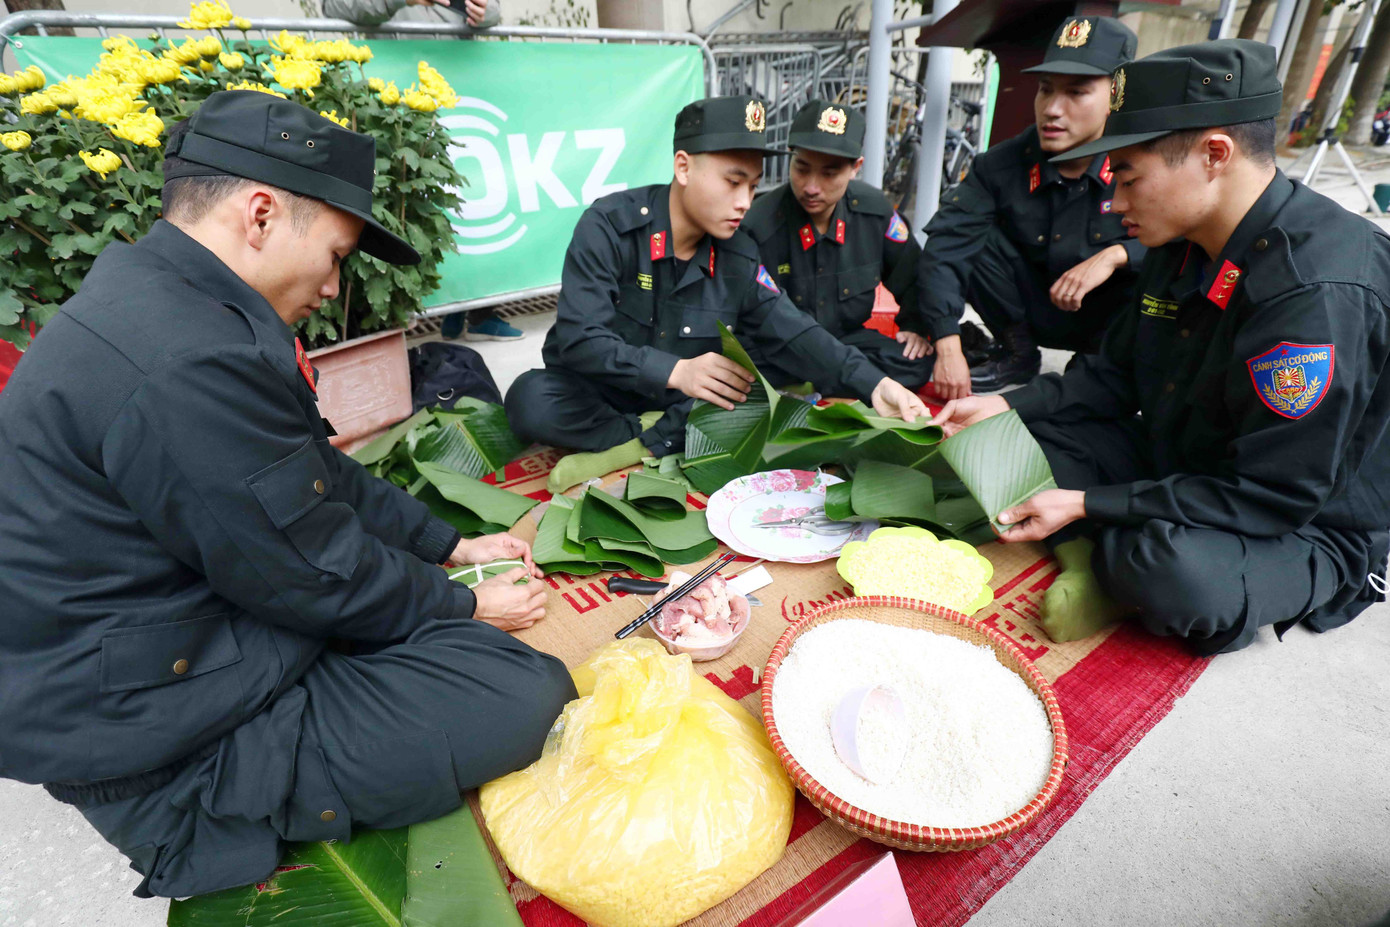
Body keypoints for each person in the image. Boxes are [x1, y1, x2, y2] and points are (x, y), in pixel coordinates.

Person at [0, 91, 576, 899]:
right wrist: (464, 604)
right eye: (337, 254)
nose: (335, 284)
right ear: (261, 214)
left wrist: (452, 547)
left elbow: (314, 475)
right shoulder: (188, 358)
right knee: (521, 689)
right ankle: (210, 820)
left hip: (179, 642)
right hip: (165, 741)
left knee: (442, 635)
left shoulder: (171, 302)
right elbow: (315, 572)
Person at [929, 40, 1390, 655]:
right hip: (1189, 455)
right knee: (1014, 441)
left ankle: (1111, 559)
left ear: (1214, 155)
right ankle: (1106, 536)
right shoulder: (1184, 238)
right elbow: (1112, 374)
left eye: (1127, 174)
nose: (1115, 202)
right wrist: (1009, 407)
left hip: (1303, 518)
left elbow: (1272, 493)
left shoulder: (1315, 297)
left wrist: (1092, 502)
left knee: (1172, 573)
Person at [504, 96, 929, 493]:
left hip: (682, 401)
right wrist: (676, 371)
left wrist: (876, 385)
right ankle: (657, 436)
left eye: (753, 186)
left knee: (753, 390)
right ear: (684, 168)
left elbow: (796, 330)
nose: (744, 201)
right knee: (530, 401)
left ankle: (651, 435)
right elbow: (581, 340)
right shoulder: (610, 227)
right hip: (600, 389)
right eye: (733, 182)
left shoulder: (738, 252)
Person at [917, 15, 1142, 397]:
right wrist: (947, 342)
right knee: (967, 234)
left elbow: (1187, 246)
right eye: (1045, 89)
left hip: (1106, 319)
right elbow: (945, 249)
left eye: (1076, 92)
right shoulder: (1000, 165)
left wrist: (1117, 255)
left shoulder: (1144, 163)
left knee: (1155, 262)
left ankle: (1099, 363)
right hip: (1030, 310)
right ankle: (1017, 353)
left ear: (1117, 96)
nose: (1052, 109)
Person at [324, 0, 524, 343]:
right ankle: (428, 311)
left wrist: (483, 12)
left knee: (467, 198)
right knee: (410, 206)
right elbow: (334, 8)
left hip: (457, 88)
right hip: (392, 90)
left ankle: (476, 308)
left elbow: (492, 11)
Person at [739, 99, 931, 391]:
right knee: (746, 376)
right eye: (802, 168)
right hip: (782, 350)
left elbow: (913, 274)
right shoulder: (758, 224)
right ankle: (842, 384)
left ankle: (816, 386)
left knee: (915, 362)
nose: (811, 187)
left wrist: (914, 327)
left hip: (845, 341)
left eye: (829, 174)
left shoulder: (874, 212)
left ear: (856, 168)